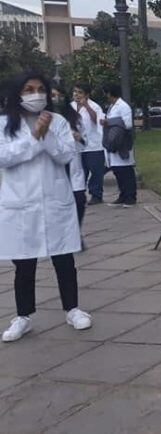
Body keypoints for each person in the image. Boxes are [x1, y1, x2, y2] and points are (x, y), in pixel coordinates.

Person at [0, 71, 92, 342]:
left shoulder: (59, 121)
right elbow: (5, 158)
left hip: (55, 200)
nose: (36, 94)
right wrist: (35, 137)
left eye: (40, 88)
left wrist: (46, 134)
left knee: (64, 259)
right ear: (18, 93)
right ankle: (23, 316)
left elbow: (65, 154)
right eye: (29, 89)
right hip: (21, 202)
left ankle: (73, 309)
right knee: (24, 263)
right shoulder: (5, 123)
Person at [52, 86, 87, 227]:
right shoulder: (44, 117)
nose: (56, 99)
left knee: (79, 201)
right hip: (55, 168)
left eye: (59, 95)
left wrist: (79, 138)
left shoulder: (74, 117)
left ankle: (76, 232)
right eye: (53, 95)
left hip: (73, 165)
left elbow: (85, 142)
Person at [100, 83, 136, 208]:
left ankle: (130, 196)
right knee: (118, 171)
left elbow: (128, 124)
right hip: (113, 142)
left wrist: (109, 122)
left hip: (122, 143)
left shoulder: (123, 106)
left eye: (106, 93)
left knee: (126, 171)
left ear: (110, 93)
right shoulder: (112, 106)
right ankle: (123, 194)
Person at [72, 84, 106, 205]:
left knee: (96, 171)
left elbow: (96, 120)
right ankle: (79, 195)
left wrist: (86, 106)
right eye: (75, 92)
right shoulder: (71, 106)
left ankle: (96, 195)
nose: (76, 94)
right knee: (80, 171)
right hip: (77, 146)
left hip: (93, 145)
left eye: (80, 92)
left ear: (86, 95)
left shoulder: (94, 106)